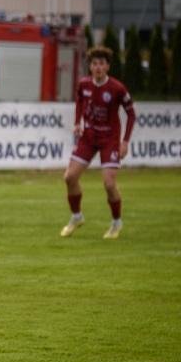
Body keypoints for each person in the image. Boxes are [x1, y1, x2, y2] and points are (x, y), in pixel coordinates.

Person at [61, 46, 136, 240]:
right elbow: (79, 100)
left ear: (108, 66)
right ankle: (76, 217)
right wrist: (77, 122)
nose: (98, 67)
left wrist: (125, 142)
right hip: (89, 136)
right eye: (94, 63)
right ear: (90, 67)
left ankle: (116, 222)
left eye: (102, 63)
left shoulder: (117, 88)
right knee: (69, 178)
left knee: (109, 184)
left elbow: (131, 114)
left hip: (110, 139)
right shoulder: (84, 84)